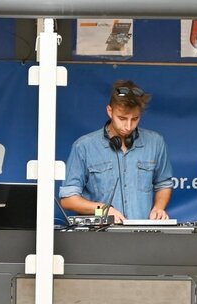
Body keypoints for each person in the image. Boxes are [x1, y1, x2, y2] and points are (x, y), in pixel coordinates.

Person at [59, 80, 173, 223]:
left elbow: (164, 184)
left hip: (143, 233)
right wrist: (104, 209)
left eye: (135, 119)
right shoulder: (83, 146)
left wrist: (158, 208)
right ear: (110, 111)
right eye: (122, 118)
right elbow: (68, 200)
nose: (128, 126)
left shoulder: (156, 142)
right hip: (101, 233)